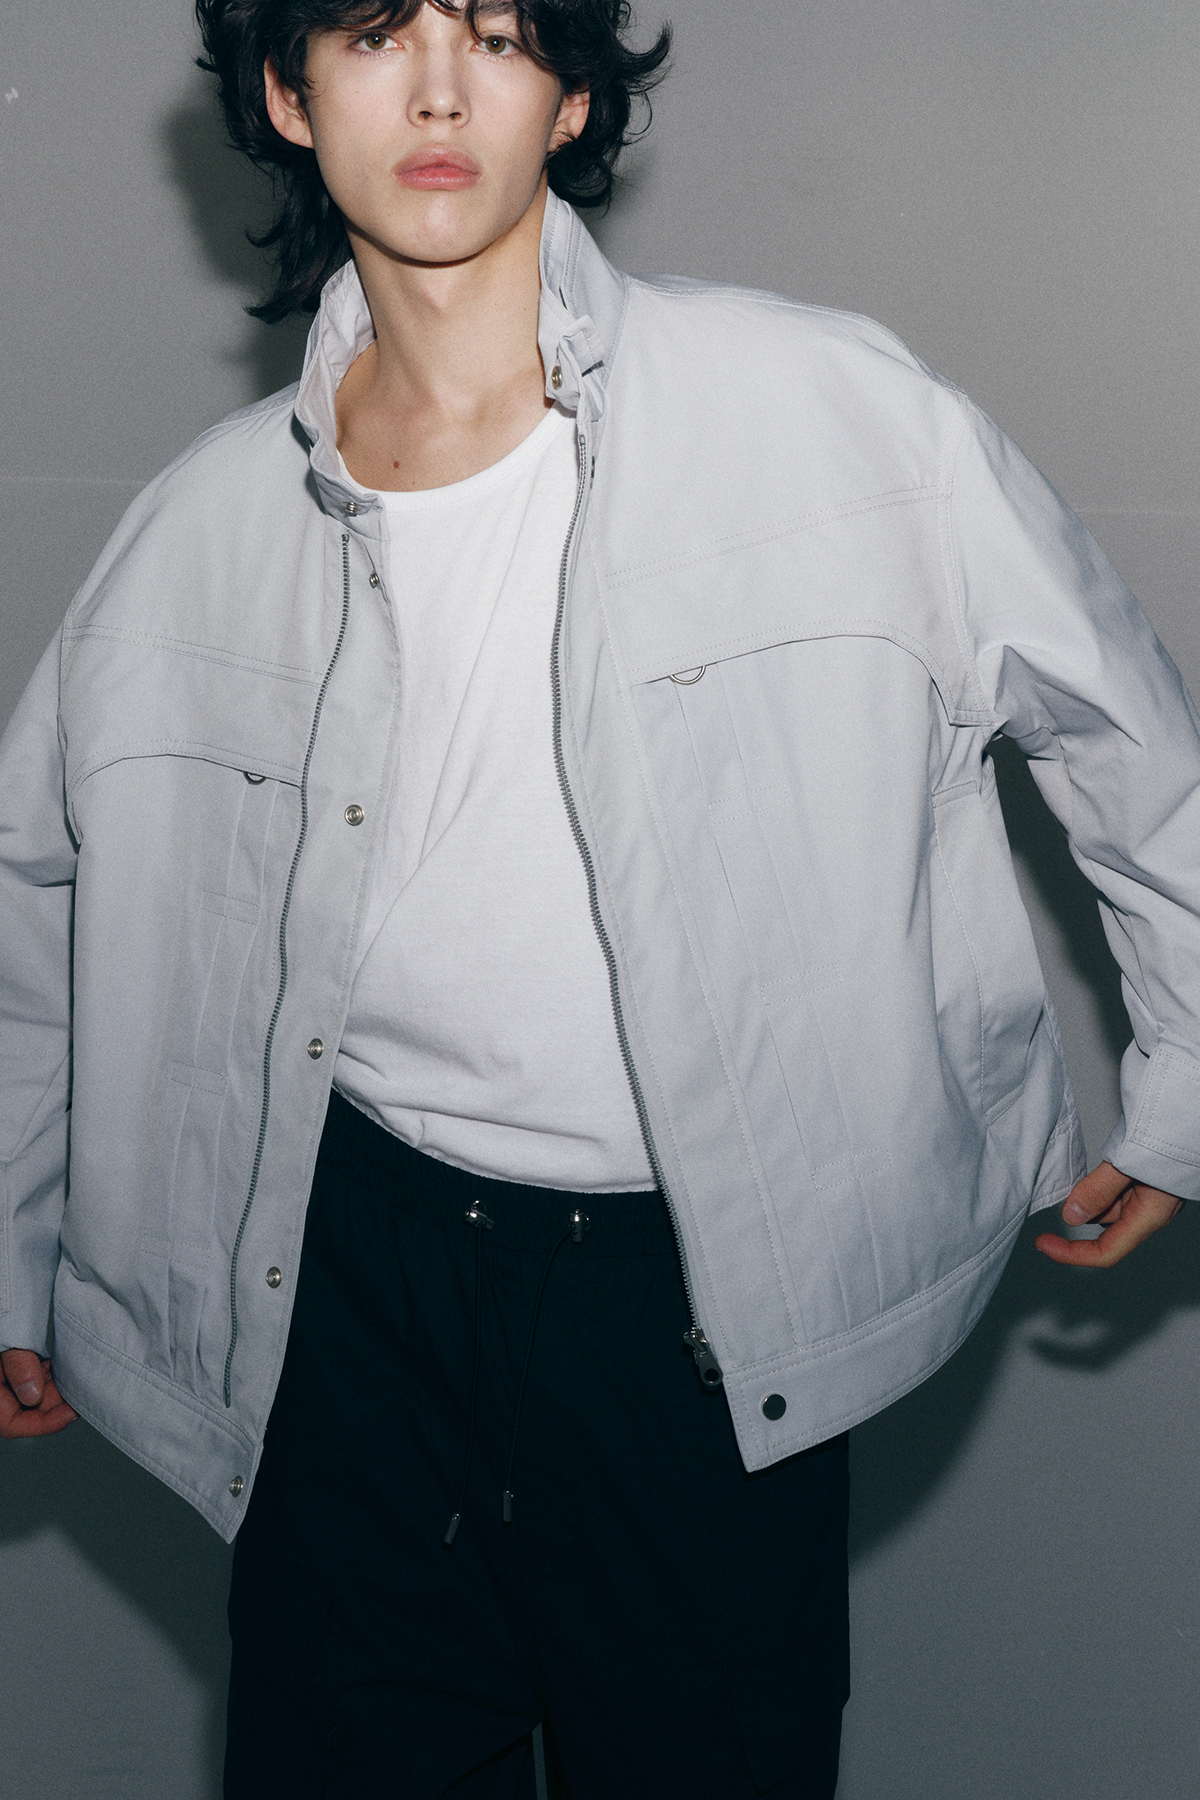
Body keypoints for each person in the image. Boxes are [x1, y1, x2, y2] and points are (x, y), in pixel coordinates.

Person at [1, 1, 1196, 1794]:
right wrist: (16, 1249)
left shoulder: (828, 408)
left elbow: (1130, 730)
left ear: (568, 97)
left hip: (689, 1304)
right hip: (342, 1281)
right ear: (287, 96)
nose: (435, 89)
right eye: (372, 35)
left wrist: (1187, 1082)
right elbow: (34, 898)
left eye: (494, 34)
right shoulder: (203, 524)